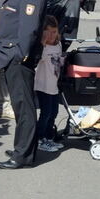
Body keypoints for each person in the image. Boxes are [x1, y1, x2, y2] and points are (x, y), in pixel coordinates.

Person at [0, 0, 47, 169]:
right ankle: (22, 148)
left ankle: (22, 156)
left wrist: (20, 55)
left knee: (23, 106)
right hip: (10, 54)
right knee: (18, 105)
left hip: (17, 57)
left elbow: (29, 29)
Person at [35, 16, 64, 153]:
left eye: (55, 32)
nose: (52, 35)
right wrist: (43, 41)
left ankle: (48, 137)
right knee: (45, 113)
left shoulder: (58, 45)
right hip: (43, 86)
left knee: (54, 112)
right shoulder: (43, 47)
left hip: (54, 85)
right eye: (49, 32)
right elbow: (37, 60)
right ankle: (39, 138)